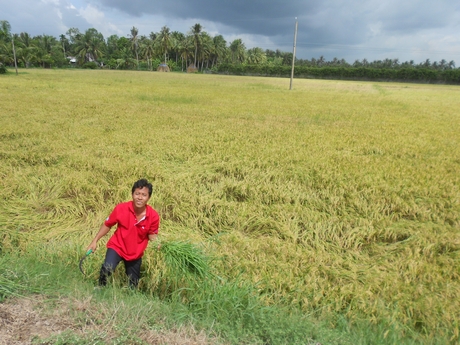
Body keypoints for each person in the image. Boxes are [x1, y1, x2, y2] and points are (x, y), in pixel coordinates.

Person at [86, 178, 160, 288]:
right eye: (137, 194)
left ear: (149, 197)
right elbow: (108, 224)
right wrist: (95, 241)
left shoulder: (153, 216)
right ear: (132, 194)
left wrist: (158, 244)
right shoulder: (121, 208)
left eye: (144, 195)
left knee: (133, 284)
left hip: (135, 253)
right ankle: (100, 288)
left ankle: (129, 299)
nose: (139, 197)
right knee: (107, 268)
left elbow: (152, 234)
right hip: (117, 246)